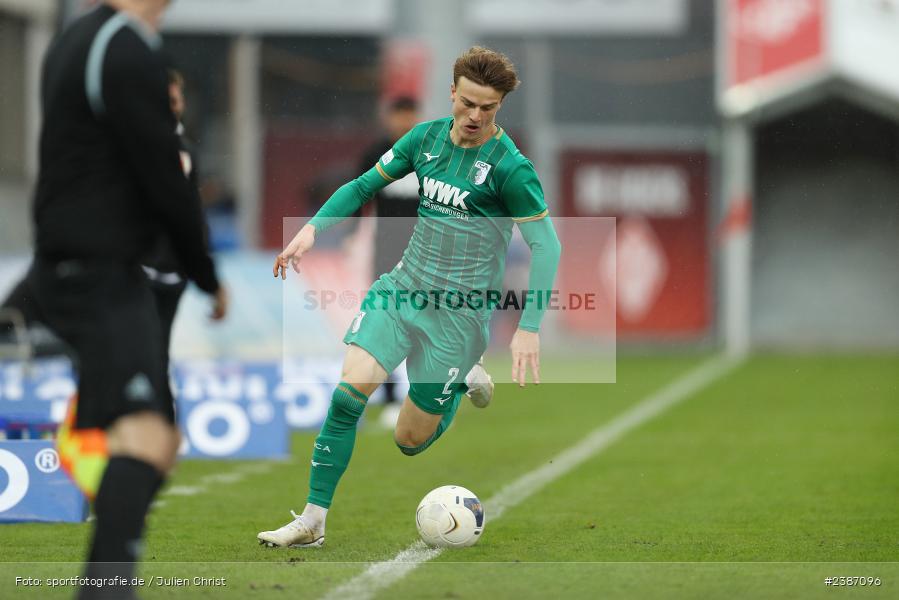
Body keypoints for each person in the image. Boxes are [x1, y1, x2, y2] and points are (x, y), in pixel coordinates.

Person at [261, 46, 562, 548]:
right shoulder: (423, 140)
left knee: (408, 440)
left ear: (499, 107)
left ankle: (462, 382)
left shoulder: (512, 169)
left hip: (459, 320)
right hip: (402, 290)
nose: (474, 116)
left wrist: (529, 328)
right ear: (452, 93)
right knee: (345, 398)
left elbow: (545, 244)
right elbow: (361, 186)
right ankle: (313, 519)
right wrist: (313, 230)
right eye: (467, 103)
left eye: (487, 108)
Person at [25, 1, 226, 597]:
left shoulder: (75, 39)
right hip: (99, 271)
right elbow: (164, 176)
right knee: (148, 436)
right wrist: (207, 274)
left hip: (72, 264)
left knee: (153, 439)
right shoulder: (125, 48)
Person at [355, 96, 421, 426]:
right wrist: (352, 232)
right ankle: (393, 394)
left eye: (409, 116)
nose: (403, 122)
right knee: (386, 320)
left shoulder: (428, 154)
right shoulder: (376, 154)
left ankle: (422, 393)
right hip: (386, 251)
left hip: (425, 252)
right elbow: (359, 193)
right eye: (399, 115)